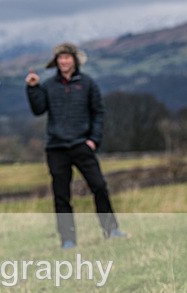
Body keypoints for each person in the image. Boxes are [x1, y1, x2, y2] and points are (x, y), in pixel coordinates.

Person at [25, 42, 128, 249]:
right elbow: (38, 109)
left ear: (75, 60)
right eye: (60, 58)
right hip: (56, 148)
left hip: (82, 144)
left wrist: (93, 140)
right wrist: (33, 88)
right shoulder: (48, 85)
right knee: (61, 195)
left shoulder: (88, 84)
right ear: (56, 62)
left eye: (67, 57)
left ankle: (111, 229)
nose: (63, 61)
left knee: (99, 186)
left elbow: (99, 112)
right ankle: (68, 240)